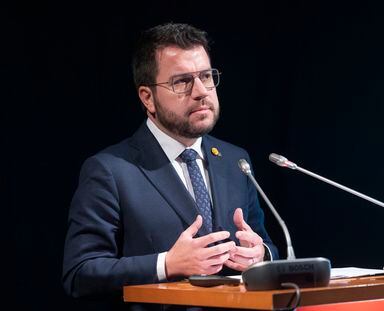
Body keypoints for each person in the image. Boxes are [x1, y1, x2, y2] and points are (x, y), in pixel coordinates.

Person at [62, 22, 278, 310]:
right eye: (182, 82)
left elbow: (267, 245)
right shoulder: (110, 170)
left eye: (206, 76)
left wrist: (260, 256)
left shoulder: (234, 160)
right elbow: (80, 273)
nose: (201, 91)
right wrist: (166, 264)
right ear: (147, 97)